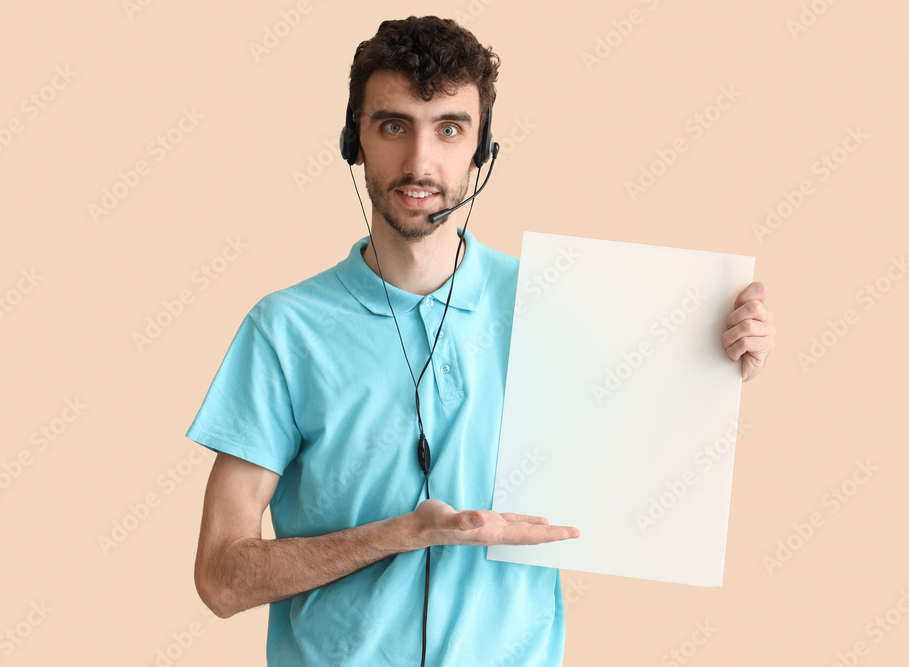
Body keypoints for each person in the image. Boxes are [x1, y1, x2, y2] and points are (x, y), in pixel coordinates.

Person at [186, 15, 775, 667]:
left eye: (449, 128)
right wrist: (403, 534)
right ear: (354, 141)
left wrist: (718, 361)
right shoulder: (284, 330)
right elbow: (221, 576)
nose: (419, 161)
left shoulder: (558, 307)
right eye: (393, 125)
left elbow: (648, 458)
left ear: (482, 148)